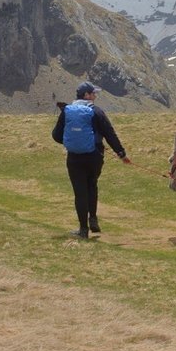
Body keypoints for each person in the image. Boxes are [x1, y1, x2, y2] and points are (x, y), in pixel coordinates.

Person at [51, 81, 131, 238]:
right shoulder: (97, 111)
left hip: (74, 157)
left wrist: (70, 141)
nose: (95, 96)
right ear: (86, 95)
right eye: (93, 93)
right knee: (92, 185)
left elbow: (56, 135)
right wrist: (121, 153)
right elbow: (110, 133)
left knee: (80, 192)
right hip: (95, 156)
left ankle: (83, 230)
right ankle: (93, 219)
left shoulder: (67, 111)